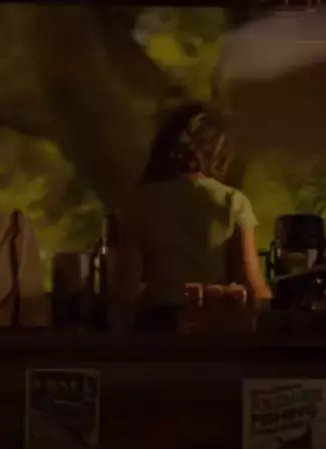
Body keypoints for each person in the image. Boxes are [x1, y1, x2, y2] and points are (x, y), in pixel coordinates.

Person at [113, 102, 272, 334]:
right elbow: (251, 282)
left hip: (158, 327)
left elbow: (126, 288)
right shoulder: (232, 201)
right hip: (214, 324)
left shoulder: (140, 201)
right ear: (215, 151)